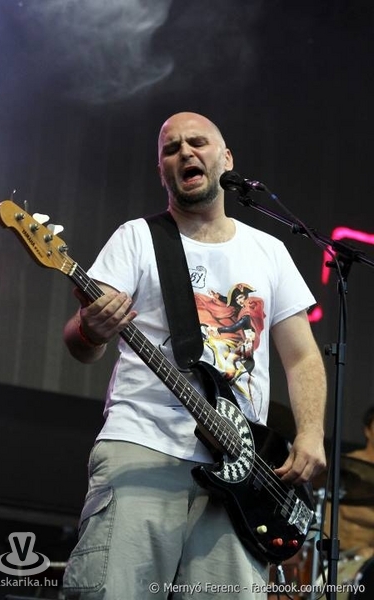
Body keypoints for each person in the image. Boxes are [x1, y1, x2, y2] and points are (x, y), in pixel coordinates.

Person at [62, 111, 327, 600]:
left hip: (242, 471)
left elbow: (303, 358)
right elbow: (82, 345)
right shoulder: (137, 238)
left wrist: (311, 432)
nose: (185, 151)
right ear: (162, 171)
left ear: (226, 159)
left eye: (197, 142)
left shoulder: (268, 251)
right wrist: (89, 329)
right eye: (171, 148)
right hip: (144, 448)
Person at [324, 406, 374, 558]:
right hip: (342, 552)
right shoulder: (352, 464)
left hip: (367, 552)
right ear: (367, 431)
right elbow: (348, 508)